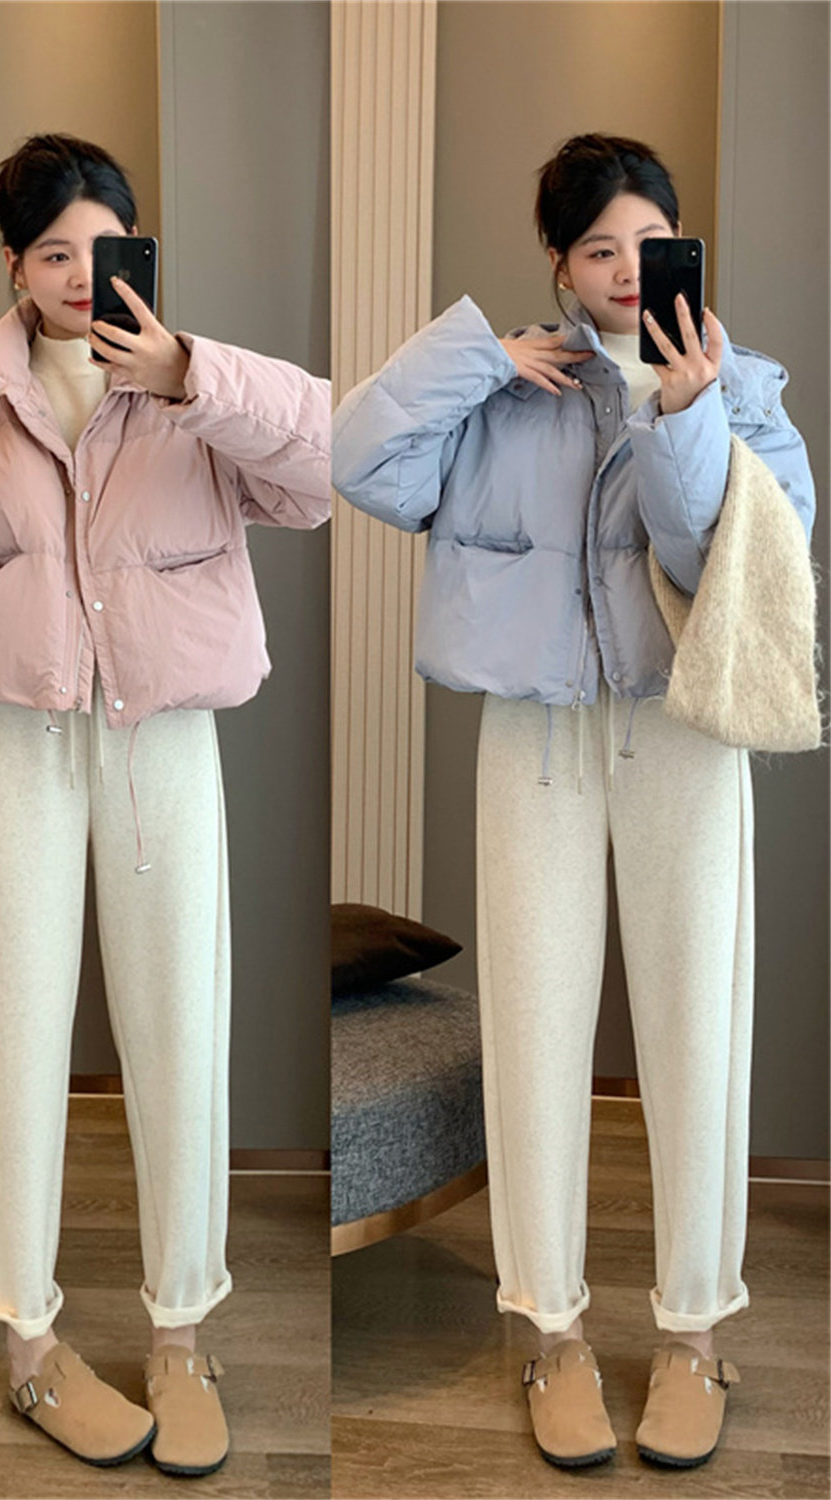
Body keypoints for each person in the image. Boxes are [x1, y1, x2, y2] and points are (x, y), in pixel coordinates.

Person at [0, 133, 330, 1477]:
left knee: (182, 1028)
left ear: (137, 252)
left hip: (161, 740)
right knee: (9, 1032)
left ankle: (182, 1331)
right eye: (53, 251)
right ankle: (28, 1344)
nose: (78, 274)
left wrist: (191, 376)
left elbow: (322, 473)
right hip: (16, 736)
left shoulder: (188, 378)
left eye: (103, 249)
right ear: (13, 262)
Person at [332, 134, 815, 1471]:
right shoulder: (501, 390)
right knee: (534, 1026)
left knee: (698, 1028)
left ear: (682, 247)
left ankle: (694, 1332)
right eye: (598, 247)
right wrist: (476, 358)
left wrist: (685, 410)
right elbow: (354, 459)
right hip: (535, 733)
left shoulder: (745, 390)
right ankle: (550, 1331)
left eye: (648, 244)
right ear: (558, 261)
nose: (624, 270)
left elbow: (720, 555)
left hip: (682, 732)